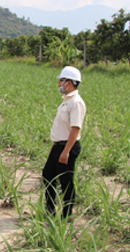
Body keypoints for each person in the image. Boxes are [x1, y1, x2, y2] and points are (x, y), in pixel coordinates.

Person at [42, 66, 86, 219]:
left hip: (68, 146)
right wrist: (55, 147)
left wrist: (66, 151)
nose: (59, 83)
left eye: (62, 80)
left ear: (71, 82)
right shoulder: (66, 101)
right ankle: (50, 209)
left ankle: (67, 215)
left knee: (66, 181)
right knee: (47, 175)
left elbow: (75, 129)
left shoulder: (76, 103)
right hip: (58, 145)